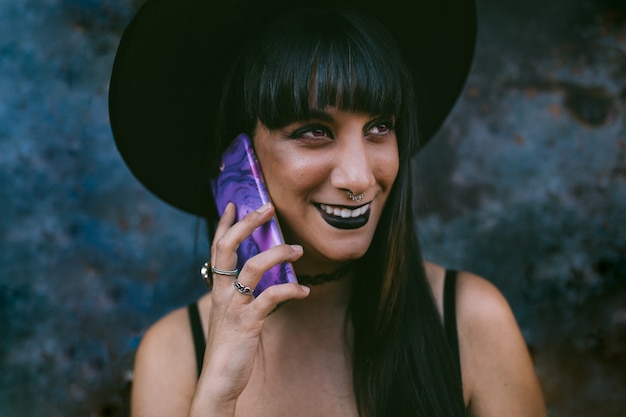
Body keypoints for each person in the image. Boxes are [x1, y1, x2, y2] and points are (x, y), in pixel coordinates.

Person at [108, 0, 548, 416]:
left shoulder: (470, 320)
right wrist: (216, 398)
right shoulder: (175, 354)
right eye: (314, 131)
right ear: (238, 163)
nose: (358, 178)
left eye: (379, 127)